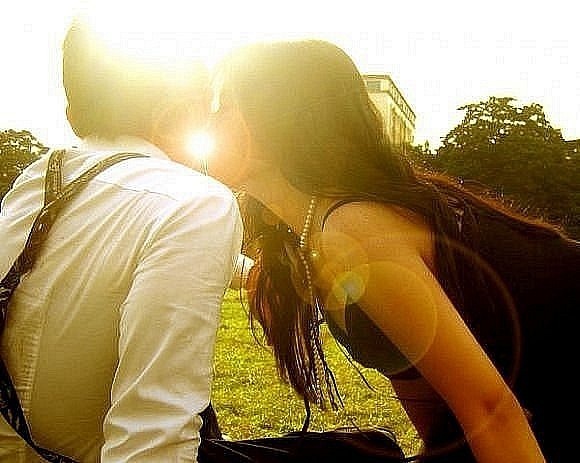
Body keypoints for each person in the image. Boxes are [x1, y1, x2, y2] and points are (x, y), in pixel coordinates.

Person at [206, 39, 579, 462]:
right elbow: (423, 392)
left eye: (223, 105)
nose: (208, 121)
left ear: (277, 119)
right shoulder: (305, 239)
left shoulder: (353, 229)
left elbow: (492, 411)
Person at [0, 19, 242, 462]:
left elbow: (89, 256)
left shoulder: (34, 185)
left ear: (73, 117)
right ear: (182, 114)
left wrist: (249, 271)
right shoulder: (196, 202)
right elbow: (151, 438)